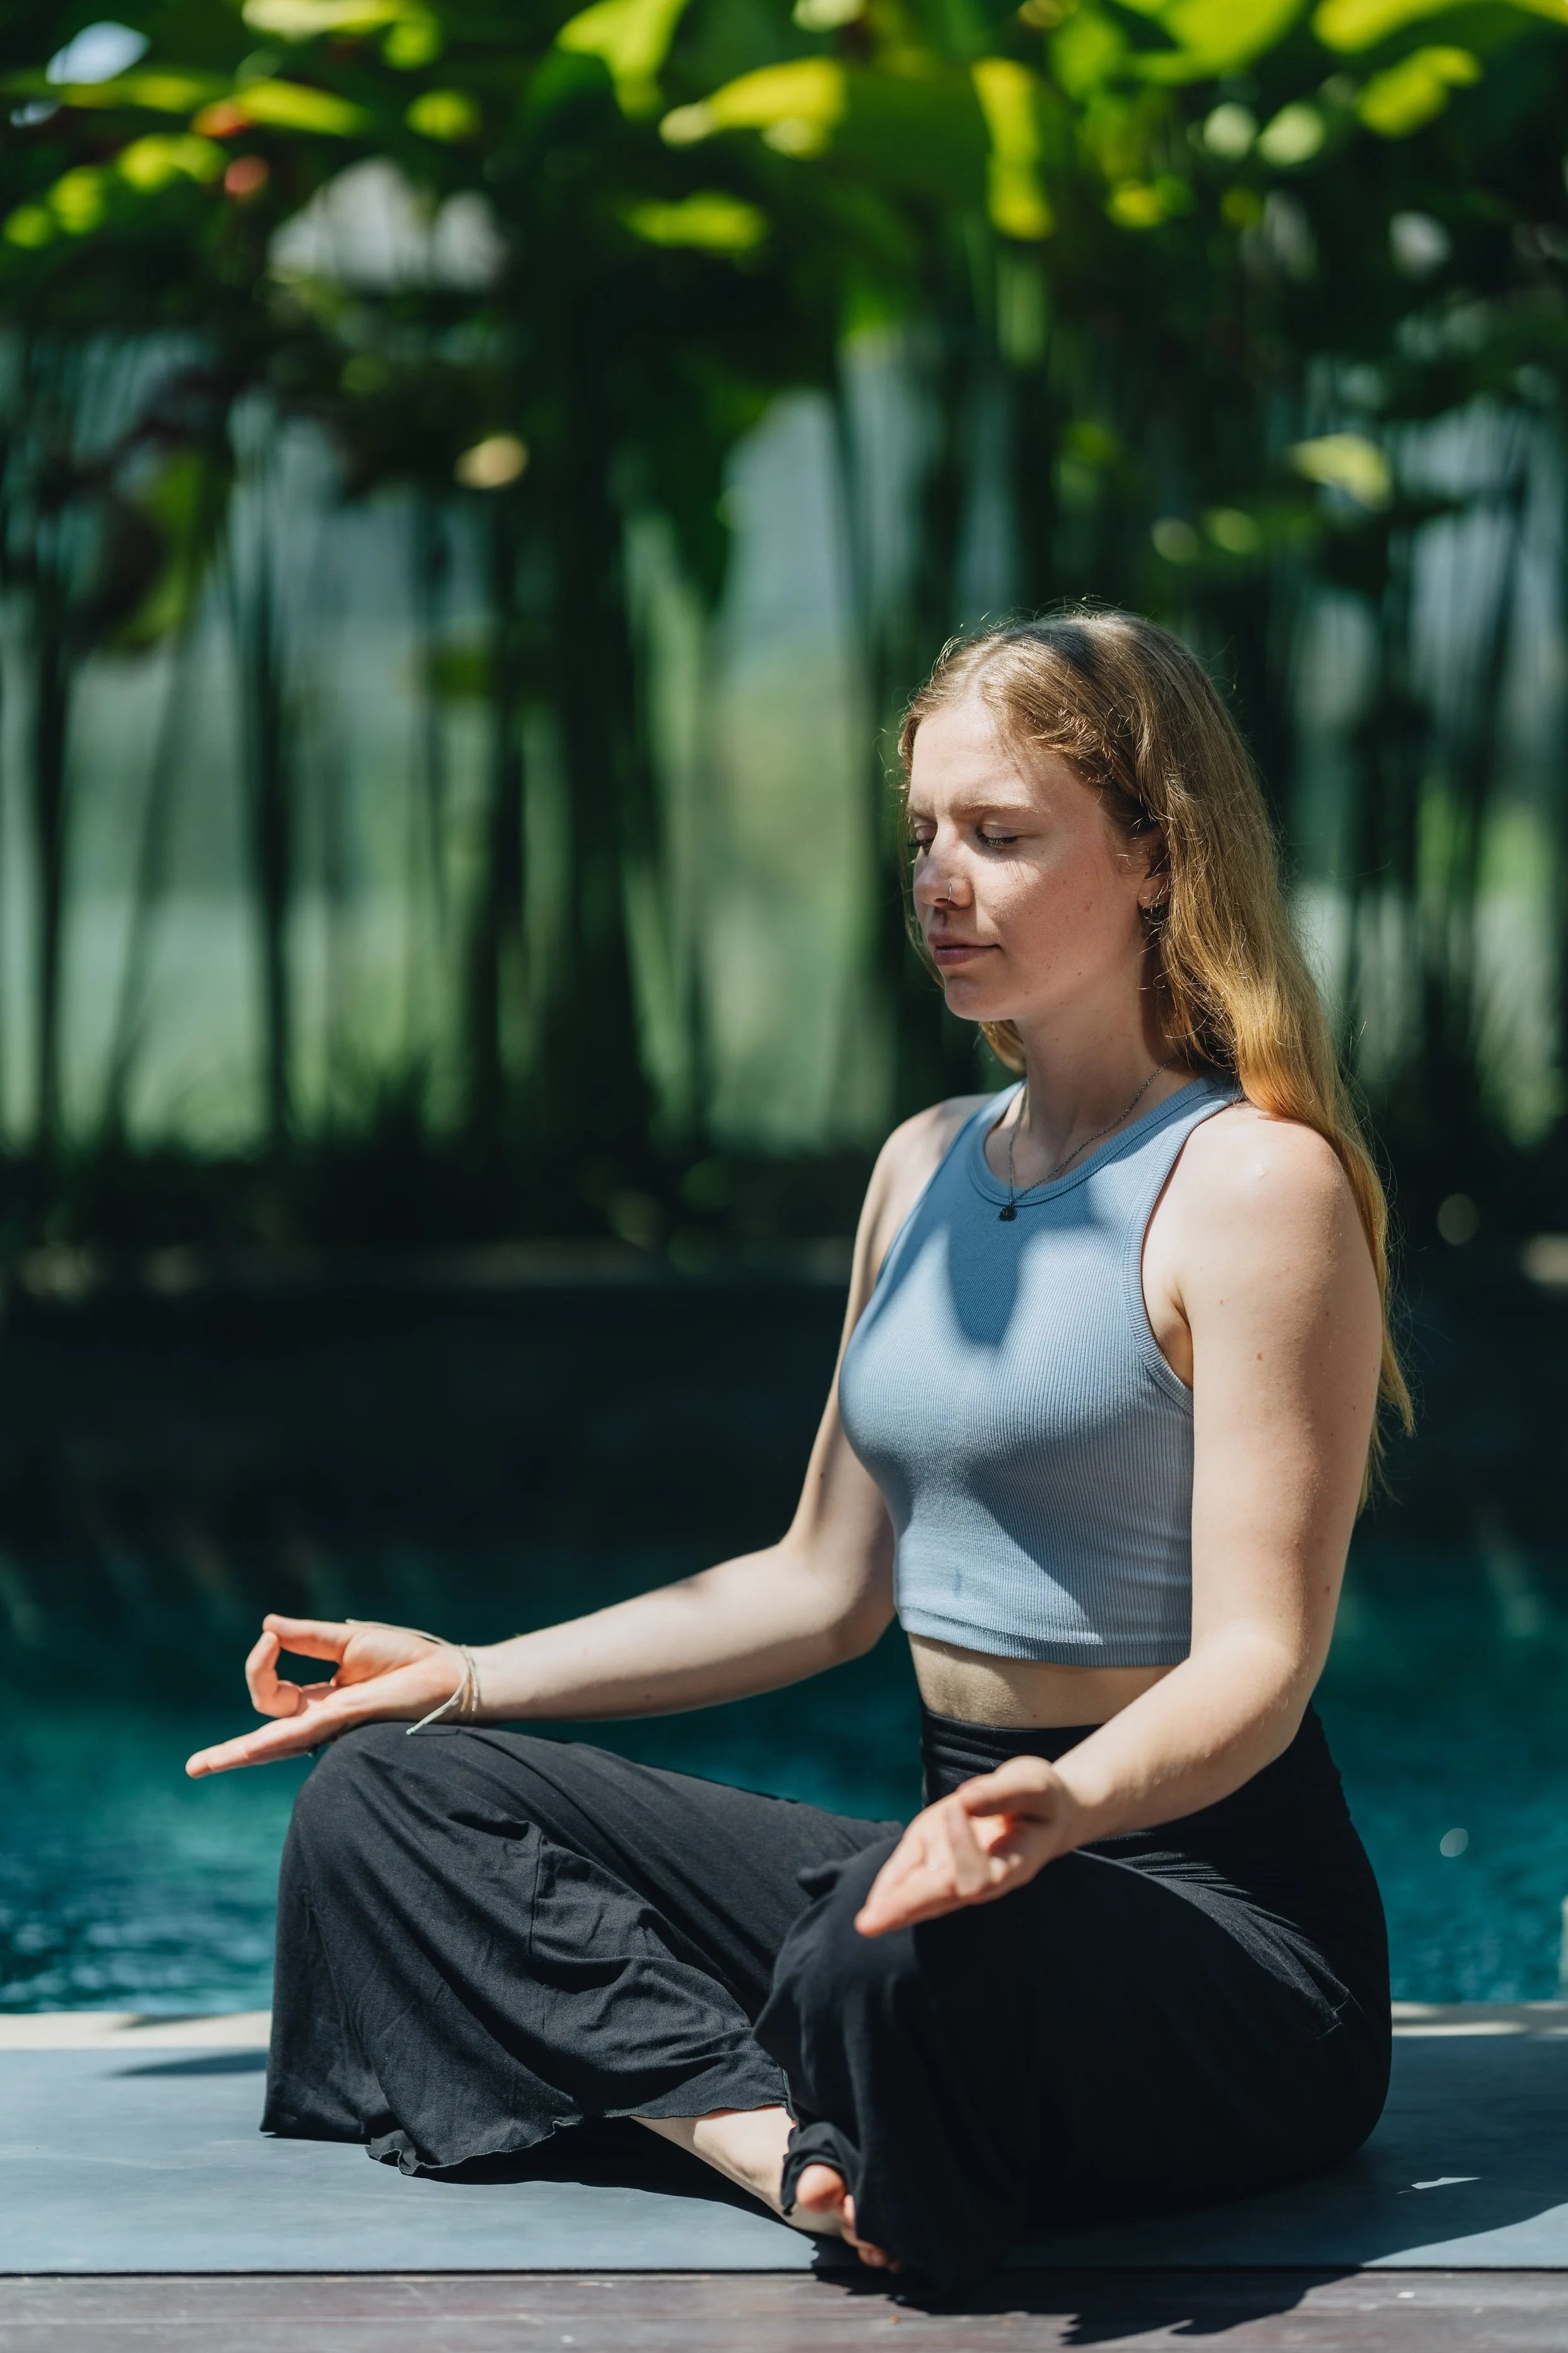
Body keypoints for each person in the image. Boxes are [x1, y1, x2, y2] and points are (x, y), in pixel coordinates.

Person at [188, 611, 1407, 2290]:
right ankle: (795, 2158)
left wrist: (1065, 1800)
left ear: (1151, 855)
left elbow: (1262, 1664)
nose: (937, 881)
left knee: (872, 1962)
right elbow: (819, 1586)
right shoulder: (921, 1167)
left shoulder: (1253, 1184)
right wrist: (469, 1672)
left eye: (996, 834)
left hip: (1205, 1919)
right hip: (956, 1871)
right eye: (921, 834)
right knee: (391, 1799)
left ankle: (842, 2101)